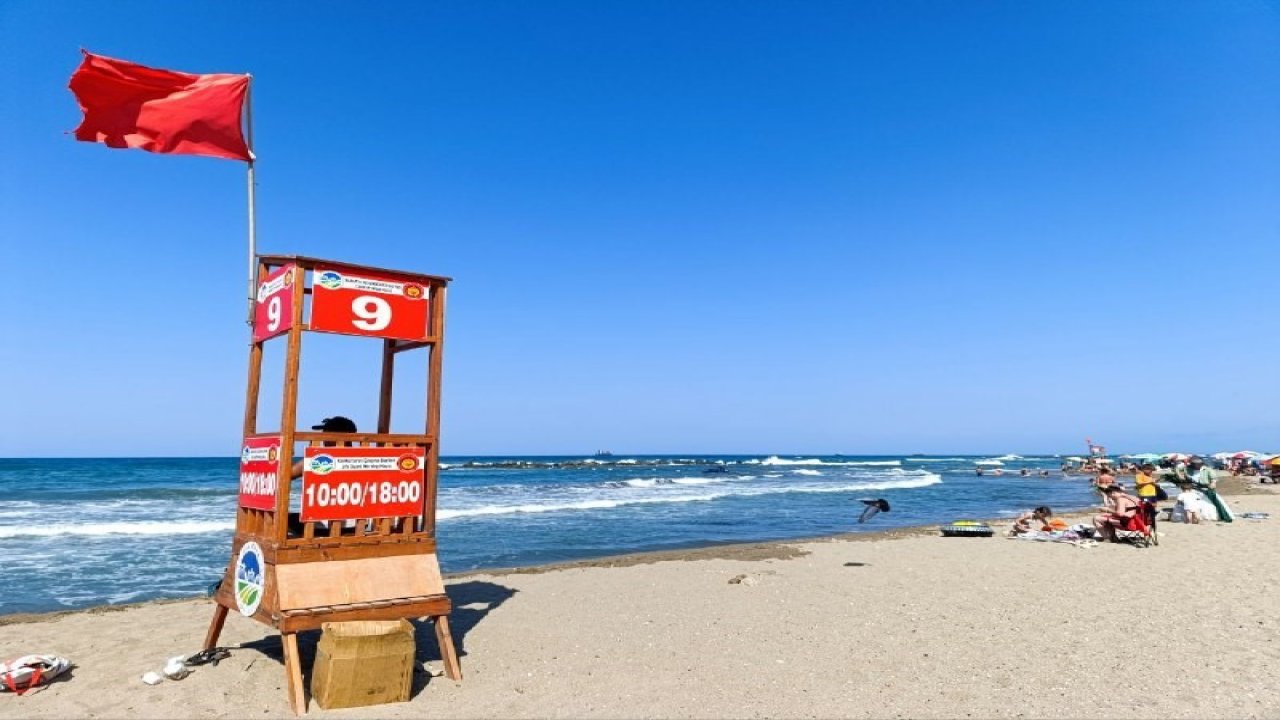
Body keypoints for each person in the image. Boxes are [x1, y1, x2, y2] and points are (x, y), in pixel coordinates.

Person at [1189, 456, 1233, 523]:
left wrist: (1212, 483)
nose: (1197, 465)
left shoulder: (1207, 469)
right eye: (1195, 463)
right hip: (1193, 489)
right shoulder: (1189, 470)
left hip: (1205, 488)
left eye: (1198, 463)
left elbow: (1213, 479)